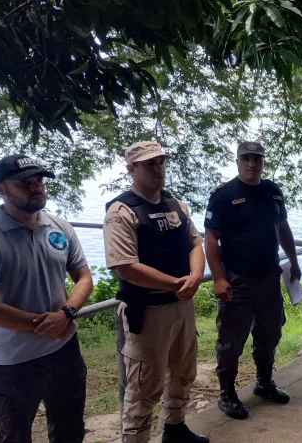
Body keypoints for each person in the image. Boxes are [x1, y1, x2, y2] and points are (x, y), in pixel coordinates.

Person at [103, 142, 208, 443]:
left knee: (184, 371)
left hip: (181, 306)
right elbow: (126, 267)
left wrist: (197, 276)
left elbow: (194, 244)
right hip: (147, 312)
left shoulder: (176, 205)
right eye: (149, 164)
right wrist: (177, 283)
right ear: (131, 169)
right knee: (144, 387)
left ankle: (175, 428)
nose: (158, 168)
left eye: (161, 162)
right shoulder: (121, 211)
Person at [0, 154, 93, 443]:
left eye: (39, 180)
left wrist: (66, 313)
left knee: (70, 430)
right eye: (24, 183)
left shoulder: (59, 227)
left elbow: (84, 278)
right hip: (13, 360)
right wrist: (48, 324)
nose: (36, 187)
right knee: (13, 436)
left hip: (65, 351)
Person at [205, 141, 300, 420]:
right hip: (238, 281)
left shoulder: (272, 192)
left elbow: (283, 228)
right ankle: (227, 393)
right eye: (246, 159)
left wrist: (293, 262)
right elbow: (210, 238)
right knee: (231, 340)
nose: (251, 164)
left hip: (269, 278)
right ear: (237, 161)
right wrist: (219, 279)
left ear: (262, 162)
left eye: (257, 159)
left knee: (271, 333)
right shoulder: (224, 195)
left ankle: (264, 382)